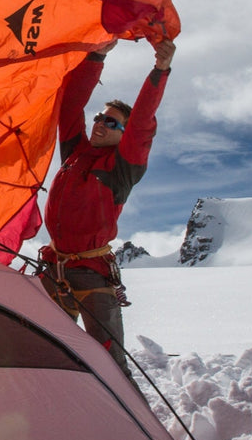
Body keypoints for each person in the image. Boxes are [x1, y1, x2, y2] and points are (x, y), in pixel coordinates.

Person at [39, 36, 175, 382]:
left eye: (112, 122)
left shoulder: (122, 166)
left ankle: (127, 427)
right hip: (54, 267)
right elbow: (70, 106)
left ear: (124, 134)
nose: (100, 123)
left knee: (111, 363)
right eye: (100, 117)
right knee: (40, 348)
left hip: (91, 275)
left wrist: (159, 71)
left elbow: (143, 122)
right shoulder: (75, 153)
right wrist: (96, 56)